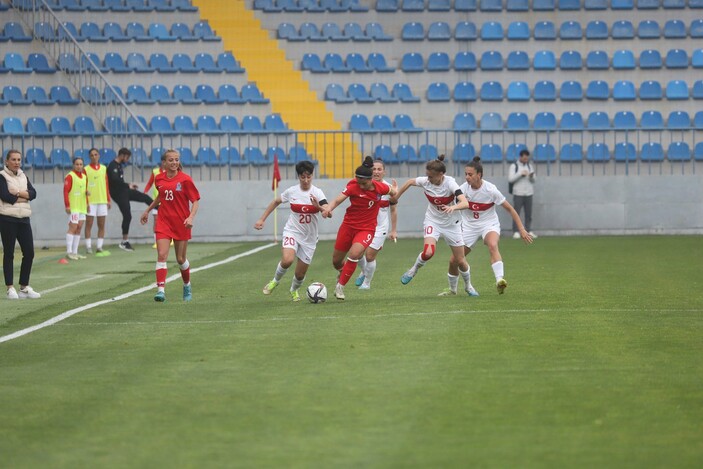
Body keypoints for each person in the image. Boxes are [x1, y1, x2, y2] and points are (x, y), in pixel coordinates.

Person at [391, 155, 477, 296]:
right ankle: (413, 270)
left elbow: (465, 203)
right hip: (433, 221)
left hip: (452, 224)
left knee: (460, 260)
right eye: (427, 176)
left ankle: (468, 286)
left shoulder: (450, 184)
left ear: (441, 174)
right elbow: (410, 182)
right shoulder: (425, 182)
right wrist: (396, 197)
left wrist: (452, 208)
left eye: (431, 176)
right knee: (428, 252)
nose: (428, 179)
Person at [447, 156, 533, 296]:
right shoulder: (462, 190)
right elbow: (449, 201)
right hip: (469, 227)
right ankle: (452, 290)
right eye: (466, 174)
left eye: (470, 174)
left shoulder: (491, 190)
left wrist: (522, 229)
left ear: (479, 175)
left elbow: (511, 209)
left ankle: (500, 281)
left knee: (492, 244)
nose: (467, 177)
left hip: (489, 224)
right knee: (454, 260)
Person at [320, 156, 397, 300]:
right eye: (359, 182)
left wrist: (395, 191)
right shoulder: (353, 185)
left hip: (367, 228)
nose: (361, 186)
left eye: (364, 183)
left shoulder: (380, 187)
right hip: (348, 226)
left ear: (370, 180)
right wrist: (328, 209)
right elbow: (337, 199)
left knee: (355, 254)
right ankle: (343, 272)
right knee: (336, 261)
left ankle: (340, 287)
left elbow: (393, 193)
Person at [254, 160, 328, 302]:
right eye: (302, 177)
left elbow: (328, 213)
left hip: (310, 238)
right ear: (298, 176)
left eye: (309, 177)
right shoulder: (292, 191)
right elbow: (276, 201)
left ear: (312, 176)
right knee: (287, 260)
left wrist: (317, 206)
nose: (306, 180)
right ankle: (275, 281)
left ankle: (294, 290)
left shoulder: (318, 193)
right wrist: (261, 219)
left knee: (300, 275)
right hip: (292, 231)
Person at [140, 149, 200, 302]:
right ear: (164, 163)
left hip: (181, 223)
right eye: (171, 160)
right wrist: (148, 210)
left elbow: (195, 201)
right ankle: (161, 290)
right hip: (164, 221)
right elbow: (160, 196)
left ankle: (187, 284)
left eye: (177, 160)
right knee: (162, 254)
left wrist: (191, 217)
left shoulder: (185, 180)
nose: (174, 163)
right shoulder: (159, 178)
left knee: (180, 259)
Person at [0, 149, 40, 299]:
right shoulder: (2, 176)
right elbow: (5, 197)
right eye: (13, 160)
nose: (17, 162)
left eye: (19, 160)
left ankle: (24, 286)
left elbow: (34, 194)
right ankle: (10, 287)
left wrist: (17, 192)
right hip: (7, 219)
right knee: (9, 253)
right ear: (7, 161)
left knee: (29, 252)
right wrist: (25, 195)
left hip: (24, 219)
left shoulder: (24, 176)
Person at [353, 158, 398, 290]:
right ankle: (363, 270)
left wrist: (394, 230)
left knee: (370, 255)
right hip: (364, 226)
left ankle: (366, 283)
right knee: (357, 254)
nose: (376, 172)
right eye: (374, 169)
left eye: (379, 169)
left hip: (380, 227)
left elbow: (393, 210)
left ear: (384, 172)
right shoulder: (363, 185)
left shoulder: (388, 189)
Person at [108, 147, 153, 251]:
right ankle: (124, 242)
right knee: (127, 216)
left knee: (144, 197)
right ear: (122, 155)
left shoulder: (119, 165)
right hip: (118, 194)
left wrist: (128, 186)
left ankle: (161, 208)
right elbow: (114, 181)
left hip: (124, 191)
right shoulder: (112, 166)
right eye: (127, 157)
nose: (127, 160)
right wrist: (128, 185)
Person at [83, 148, 111, 257]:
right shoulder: (86, 169)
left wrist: (108, 199)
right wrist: (86, 201)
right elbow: (83, 185)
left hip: (102, 200)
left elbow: (106, 184)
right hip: (91, 201)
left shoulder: (104, 168)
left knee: (101, 224)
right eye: (92, 155)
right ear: (89, 157)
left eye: (96, 154)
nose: (94, 157)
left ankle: (99, 247)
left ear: (99, 156)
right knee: (89, 224)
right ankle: (88, 246)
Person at [63, 156, 90, 261]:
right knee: (73, 227)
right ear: (73, 165)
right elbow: (65, 191)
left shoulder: (84, 177)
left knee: (79, 228)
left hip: (82, 207)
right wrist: (67, 205)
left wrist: (87, 203)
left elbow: (85, 191)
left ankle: (75, 252)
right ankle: (69, 252)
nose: (79, 166)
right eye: (77, 164)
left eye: (81, 164)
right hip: (74, 207)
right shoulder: (70, 176)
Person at [508, 149, 537, 239]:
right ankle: (516, 231)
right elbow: (510, 179)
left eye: (527, 158)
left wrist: (531, 176)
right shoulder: (514, 166)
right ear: (520, 157)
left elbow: (534, 180)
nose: (526, 160)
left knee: (529, 214)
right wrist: (520, 174)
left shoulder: (529, 166)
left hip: (529, 193)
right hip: (518, 193)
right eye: (524, 158)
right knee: (516, 212)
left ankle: (528, 230)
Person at [143, 159, 165, 249]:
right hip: (156, 200)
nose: (164, 163)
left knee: (167, 221)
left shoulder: (169, 172)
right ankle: (156, 241)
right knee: (156, 221)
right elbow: (150, 183)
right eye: (163, 161)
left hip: (166, 200)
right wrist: (145, 192)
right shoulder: (155, 171)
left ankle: (170, 239)